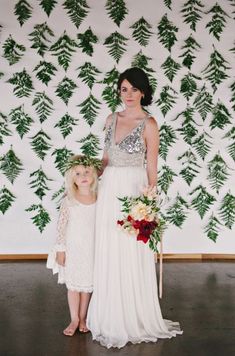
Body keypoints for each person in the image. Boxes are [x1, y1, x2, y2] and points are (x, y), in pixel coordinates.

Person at [87, 67, 182, 348]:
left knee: (130, 251)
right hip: (108, 191)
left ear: (143, 92)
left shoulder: (149, 124)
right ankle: (107, 315)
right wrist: (88, 181)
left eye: (134, 89)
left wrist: (150, 203)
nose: (128, 94)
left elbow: (152, 167)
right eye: (124, 89)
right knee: (108, 249)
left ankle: (133, 316)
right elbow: (104, 160)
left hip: (133, 191)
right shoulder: (110, 118)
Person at [47, 155, 100, 336]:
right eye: (78, 173)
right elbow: (61, 227)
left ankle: (83, 318)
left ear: (93, 175)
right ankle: (74, 319)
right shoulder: (69, 199)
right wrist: (60, 250)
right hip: (74, 249)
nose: (83, 176)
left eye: (86, 172)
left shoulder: (98, 198)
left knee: (87, 286)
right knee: (74, 287)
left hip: (91, 249)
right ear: (72, 179)